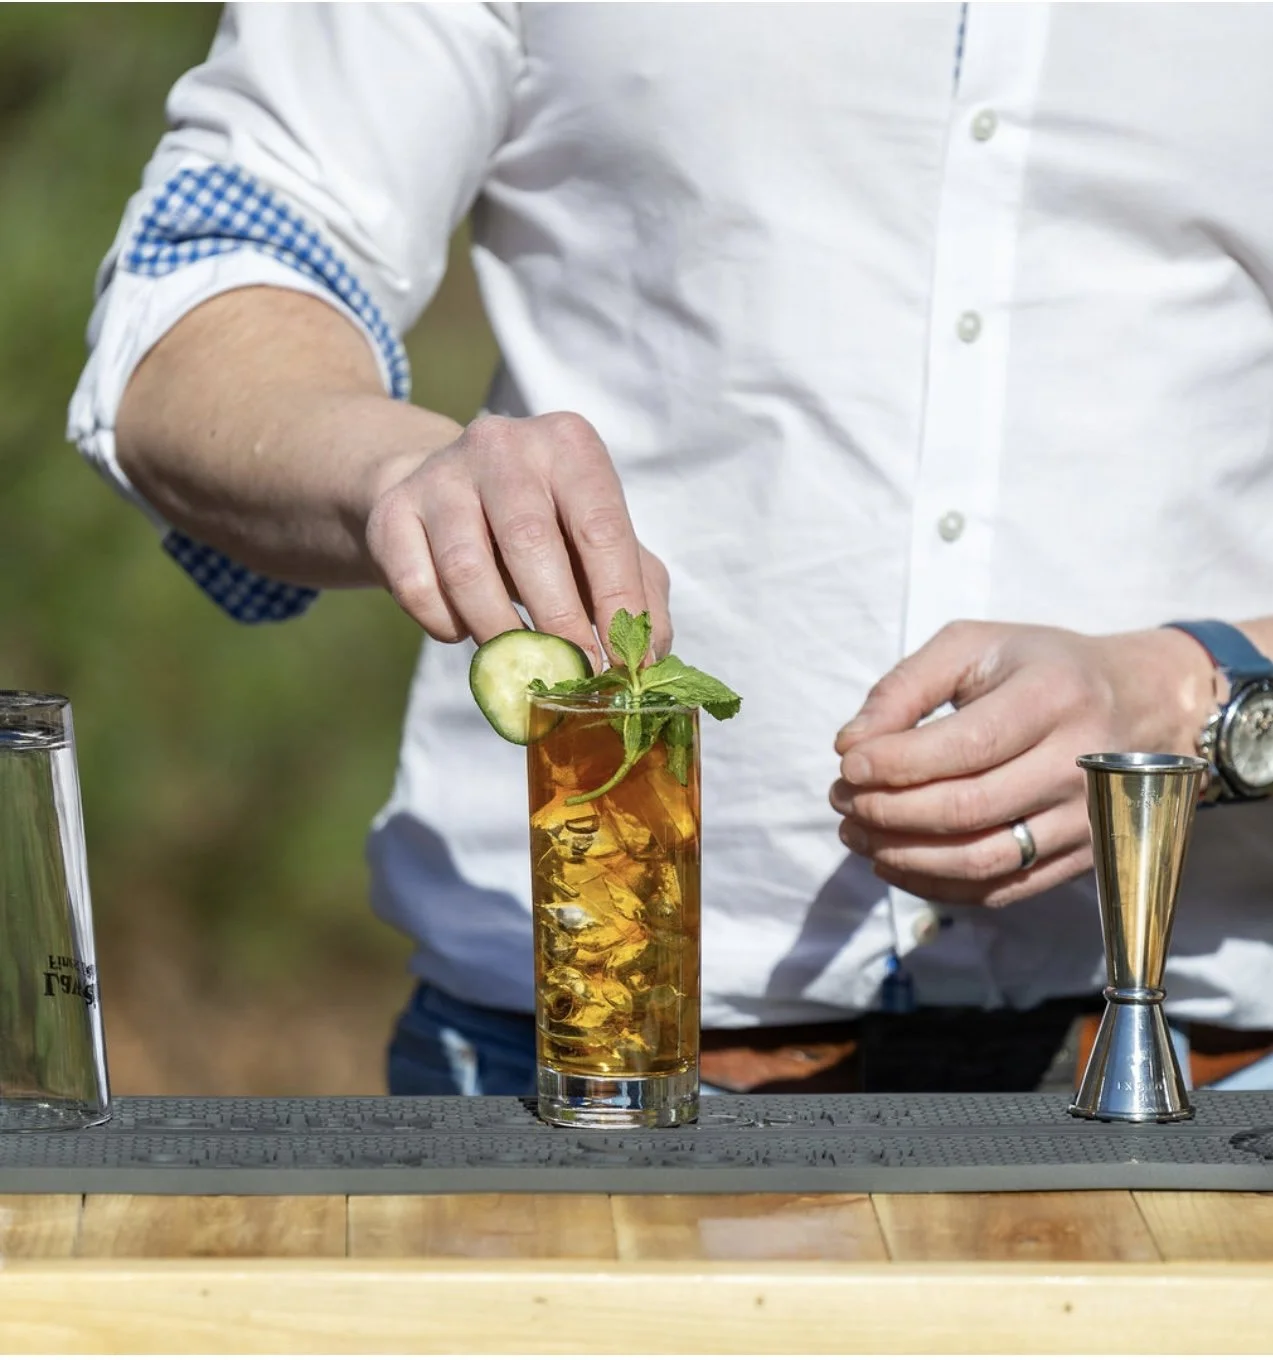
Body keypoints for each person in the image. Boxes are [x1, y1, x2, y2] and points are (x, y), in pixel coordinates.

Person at [69, 2, 1273, 1095]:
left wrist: (1198, 700)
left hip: (1213, 1072)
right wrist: (399, 473)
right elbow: (200, 296)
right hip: (567, 1063)